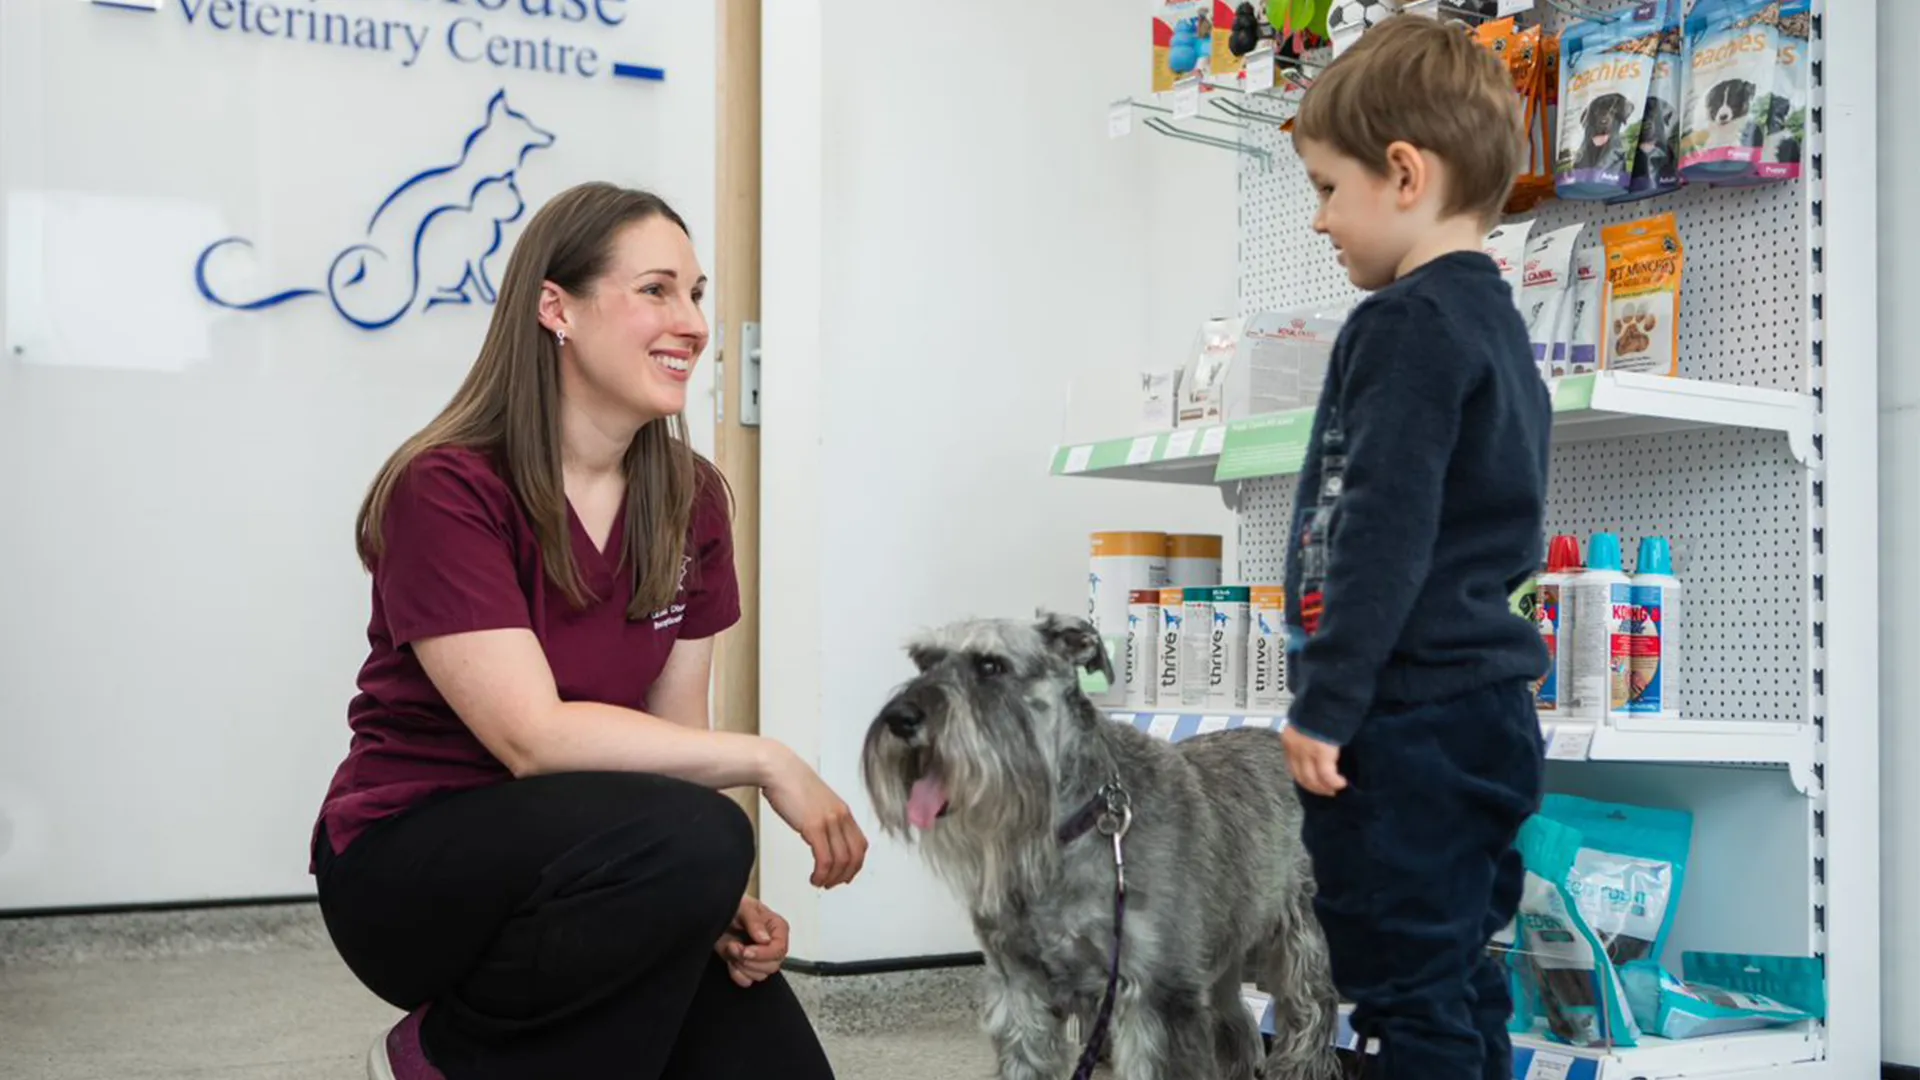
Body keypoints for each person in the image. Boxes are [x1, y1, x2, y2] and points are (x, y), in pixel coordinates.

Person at [309, 181, 869, 1080]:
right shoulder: (446, 489)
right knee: (703, 836)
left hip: (603, 864)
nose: (690, 321)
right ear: (555, 308)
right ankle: (444, 1059)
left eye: (696, 294)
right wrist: (767, 759)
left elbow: (678, 739)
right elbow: (531, 739)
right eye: (656, 290)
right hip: (411, 867)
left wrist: (709, 902)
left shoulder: (691, 500)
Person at [1276, 16, 1552, 1080]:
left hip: (1403, 723)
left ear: (1402, 174)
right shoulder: (1491, 321)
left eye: (1326, 188)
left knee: (1397, 992)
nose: (1317, 221)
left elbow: (1381, 532)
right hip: (1484, 713)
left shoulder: (1402, 325)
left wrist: (1328, 702)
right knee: (1459, 976)